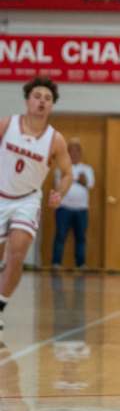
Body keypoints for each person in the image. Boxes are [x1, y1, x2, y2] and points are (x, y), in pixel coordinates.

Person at [0, 76, 72, 336]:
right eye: (37, 97)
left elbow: (67, 173)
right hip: (0, 195)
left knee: (17, 252)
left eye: (47, 98)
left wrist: (59, 193)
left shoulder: (55, 139)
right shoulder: (7, 124)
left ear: (52, 106)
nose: (42, 102)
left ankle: (0, 305)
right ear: (28, 100)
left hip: (27, 199)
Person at [51, 138, 94, 268]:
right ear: (68, 152)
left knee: (81, 238)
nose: (74, 153)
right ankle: (56, 263)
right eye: (71, 150)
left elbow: (90, 184)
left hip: (81, 209)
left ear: (80, 153)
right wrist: (77, 180)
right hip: (63, 208)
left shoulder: (87, 169)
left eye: (77, 151)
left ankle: (81, 264)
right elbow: (59, 185)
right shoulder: (61, 168)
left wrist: (80, 180)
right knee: (60, 236)